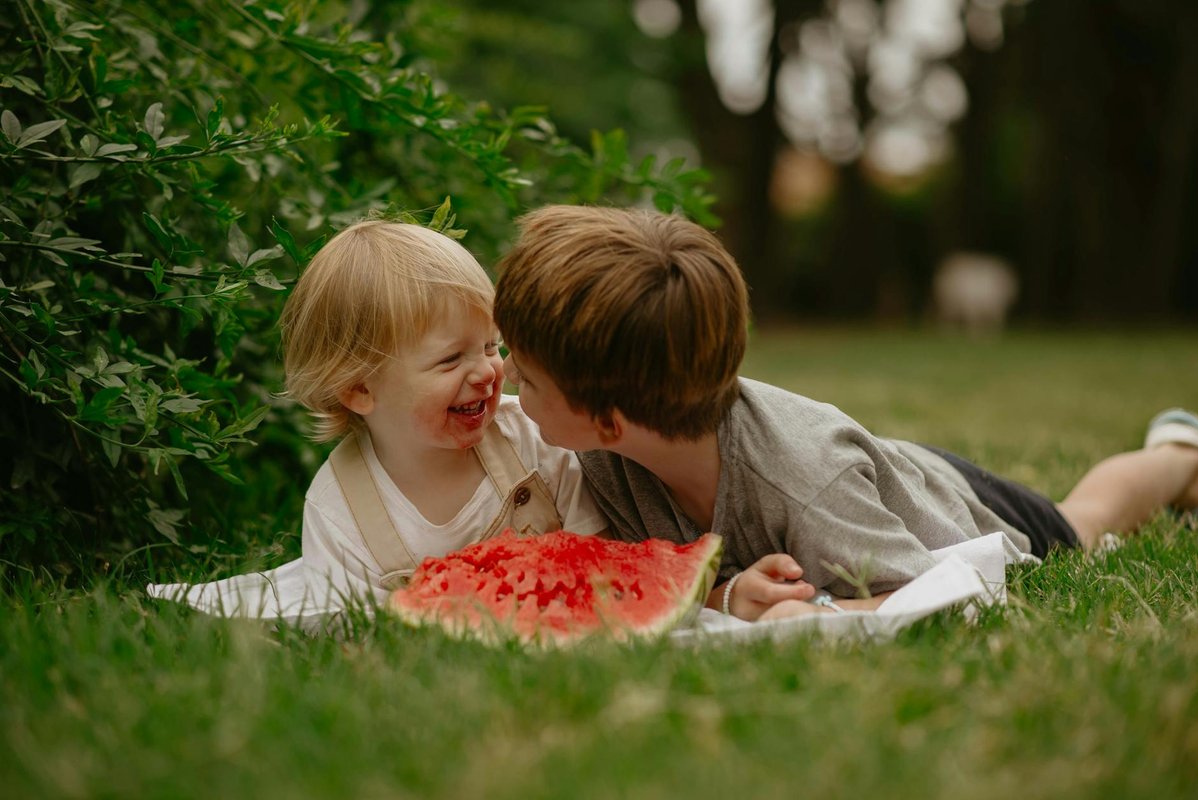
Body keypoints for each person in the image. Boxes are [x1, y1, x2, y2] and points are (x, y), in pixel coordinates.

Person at [492, 204, 1198, 621]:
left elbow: (934, 595)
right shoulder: (598, 450)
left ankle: (1176, 455)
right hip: (877, 470)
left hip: (954, 506)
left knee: (1084, 518)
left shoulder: (805, 482)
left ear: (610, 420)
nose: (505, 378)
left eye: (527, 375)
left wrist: (822, 612)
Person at [148, 220, 607, 621]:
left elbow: (600, 552)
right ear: (359, 390)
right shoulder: (340, 509)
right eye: (451, 360)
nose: (489, 371)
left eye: (490, 345)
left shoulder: (531, 438)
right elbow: (347, 624)